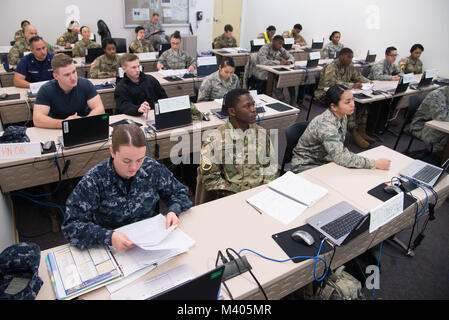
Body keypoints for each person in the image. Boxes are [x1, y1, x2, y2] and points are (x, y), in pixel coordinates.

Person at [62, 123, 192, 250]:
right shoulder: (95, 180)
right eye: (127, 161)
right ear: (113, 152)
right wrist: (108, 237)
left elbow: (179, 192)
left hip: (152, 240)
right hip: (114, 247)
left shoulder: (151, 168)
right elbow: (71, 225)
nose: (134, 167)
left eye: (139, 159)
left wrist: (173, 211)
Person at [291, 84, 391, 173]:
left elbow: (339, 153)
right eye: (347, 102)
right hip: (305, 166)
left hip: (325, 160)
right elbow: (340, 157)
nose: (353, 104)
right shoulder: (326, 125)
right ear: (333, 107)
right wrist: (375, 163)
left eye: (352, 99)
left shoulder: (343, 116)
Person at [199, 88, 277, 201]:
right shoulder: (213, 140)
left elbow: (271, 166)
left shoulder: (261, 133)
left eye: (253, 105)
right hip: (231, 196)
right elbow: (210, 179)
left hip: (261, 194)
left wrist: (264, 190)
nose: (254, 110)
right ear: (232, 111)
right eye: (247, 106)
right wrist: (241, 193)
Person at [314, 47, 373, 148]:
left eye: (351, 57)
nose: (350, 59)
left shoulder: (350, 66)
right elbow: (332, 83)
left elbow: (358, 77)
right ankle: (353, 131)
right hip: (325, 94)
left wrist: (368, 82)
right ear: (341, 56)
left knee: (365, 102)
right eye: (348, 57)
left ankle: (361, 130)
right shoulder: (331, 67)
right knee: (347, 105)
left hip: (344, 93)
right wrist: (352, 85)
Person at [33, 53, 105, 129]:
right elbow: (37, 119)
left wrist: (84, 121)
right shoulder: (46, 90)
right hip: (56, 129)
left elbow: (100, 108)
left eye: (74, 72)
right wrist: (64, 123)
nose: (73, 78)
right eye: (67, 75)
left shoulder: (85, 84)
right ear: (56, 76)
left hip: (83, 126)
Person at [250, 35, 296, 105]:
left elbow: (291, 56)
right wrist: (279, 63)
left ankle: (292, 100)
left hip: (274, 70)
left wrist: (290, 61)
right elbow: (263, 61)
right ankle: (280, 99)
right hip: (261, 71)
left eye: (282, 44)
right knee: (273, 79)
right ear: (273, 42)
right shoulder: (265, 48)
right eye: (279, 43)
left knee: (289, 78)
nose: (281, 46)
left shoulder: (280, 48)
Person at [407, 86, 449, 160]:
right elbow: (441, 117)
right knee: (446, 136)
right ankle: (438, 157)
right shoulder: (437, 95)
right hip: (421, 126)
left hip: (438, 124)